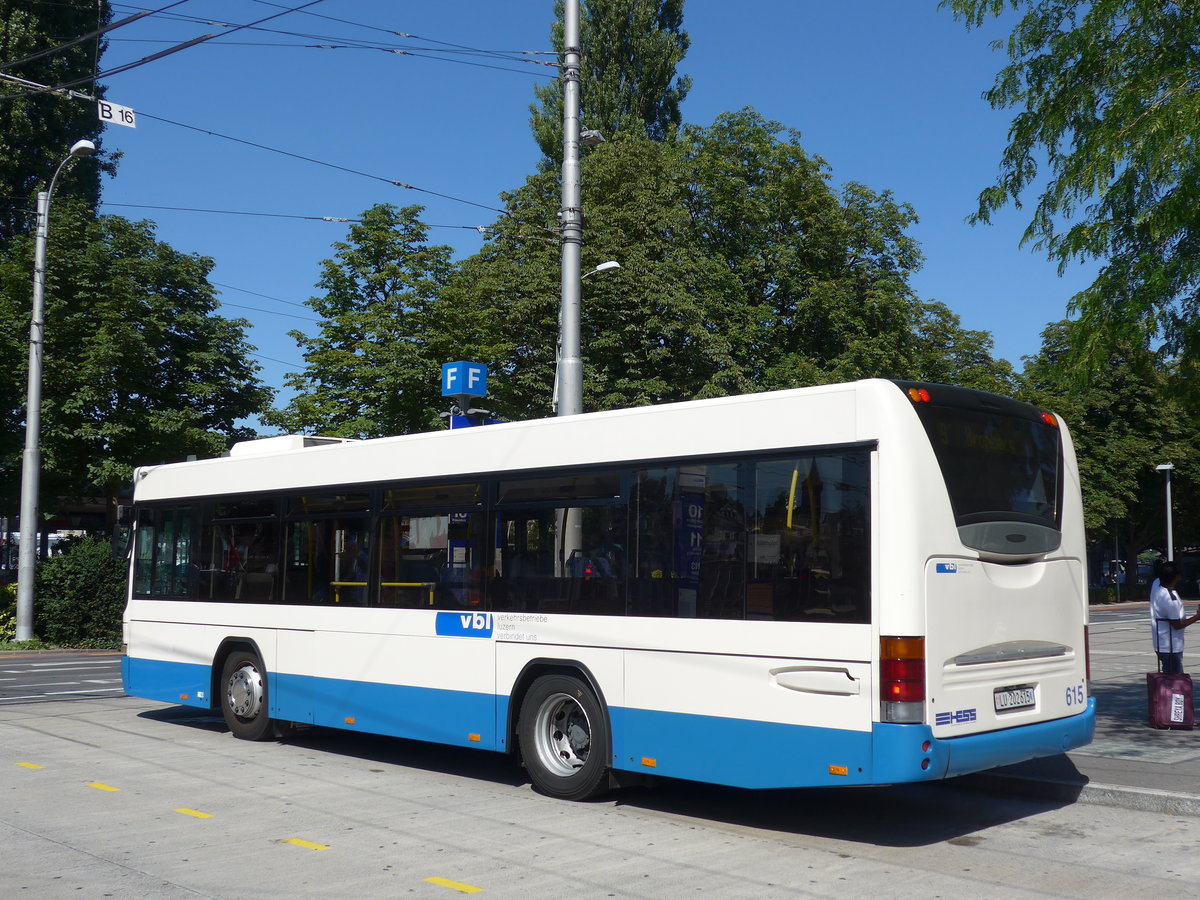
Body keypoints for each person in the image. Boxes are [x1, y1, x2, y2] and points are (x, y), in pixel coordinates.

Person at [1149, 561, 1200, 674]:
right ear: (1176, 577)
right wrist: (1197, 617)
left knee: (1169, 680)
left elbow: (1161, 575)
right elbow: (1177, 625)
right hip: (1171, 646)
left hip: (1159, 642)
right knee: (1175, 683)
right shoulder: (1171, 599)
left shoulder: (1156, 585)